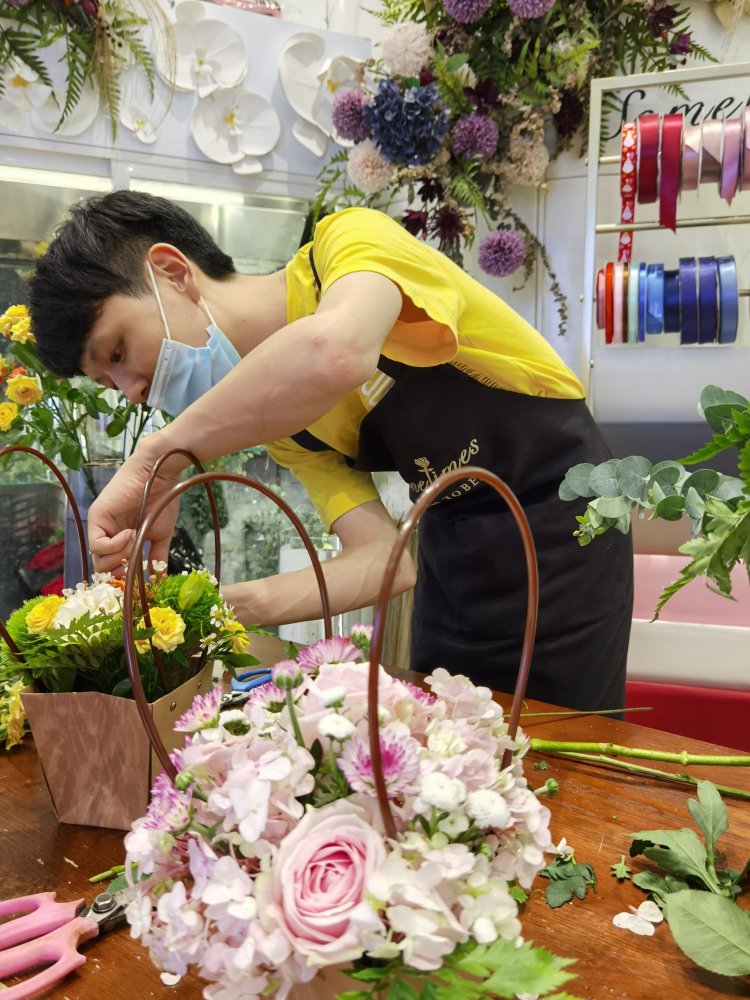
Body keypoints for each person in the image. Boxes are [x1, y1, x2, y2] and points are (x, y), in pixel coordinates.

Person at [28, 190, 633, 711]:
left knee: (561, 763)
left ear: (172, 272)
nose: (132, 391)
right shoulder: (285, 424)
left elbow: (335, 353)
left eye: (117, 352)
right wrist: (219, 611)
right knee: (451, 761)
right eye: (110, 384)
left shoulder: (345, 248)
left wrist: (158, 458)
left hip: (565, 527)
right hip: (456, 548)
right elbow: (385, 561)